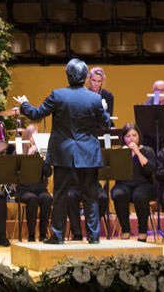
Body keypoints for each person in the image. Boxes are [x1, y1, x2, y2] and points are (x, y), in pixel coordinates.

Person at [15, 58, 111, 244]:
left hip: (63, 152)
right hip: (88, 153)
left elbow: (35, 114)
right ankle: (93, 236)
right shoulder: (95, 98)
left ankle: (57, 235)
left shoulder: (57, 95)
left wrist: (24, 104)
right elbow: (105, 123)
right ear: (85, 77)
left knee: (59, 194)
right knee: (90, 195)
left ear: (68, 75)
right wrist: (104, 109)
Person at [112, 123, 156, 242]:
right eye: (127, 136)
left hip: (144, 184)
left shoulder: (147, 150)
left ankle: (142, 231)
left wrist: (137, 152)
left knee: (140, 196)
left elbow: (150, 169)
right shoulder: (120, 152)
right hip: (124, 184)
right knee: (118, 194)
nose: (131, 138)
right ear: (123, 138)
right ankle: (125, 230)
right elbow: (113, 172)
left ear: (139, 136)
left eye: (134, 135)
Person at [17, 125, 53, 242]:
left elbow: (48, 173)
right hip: (25, 190)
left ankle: (43, 234)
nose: (36, 138)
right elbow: (17, 173)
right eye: (34, 135)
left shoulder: (41, 153)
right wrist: (28, 156)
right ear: (28, 137)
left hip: (40, 189)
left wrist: (45, 159)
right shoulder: (19, 151)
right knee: (32, 199)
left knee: (47, 198)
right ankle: (31, 235)